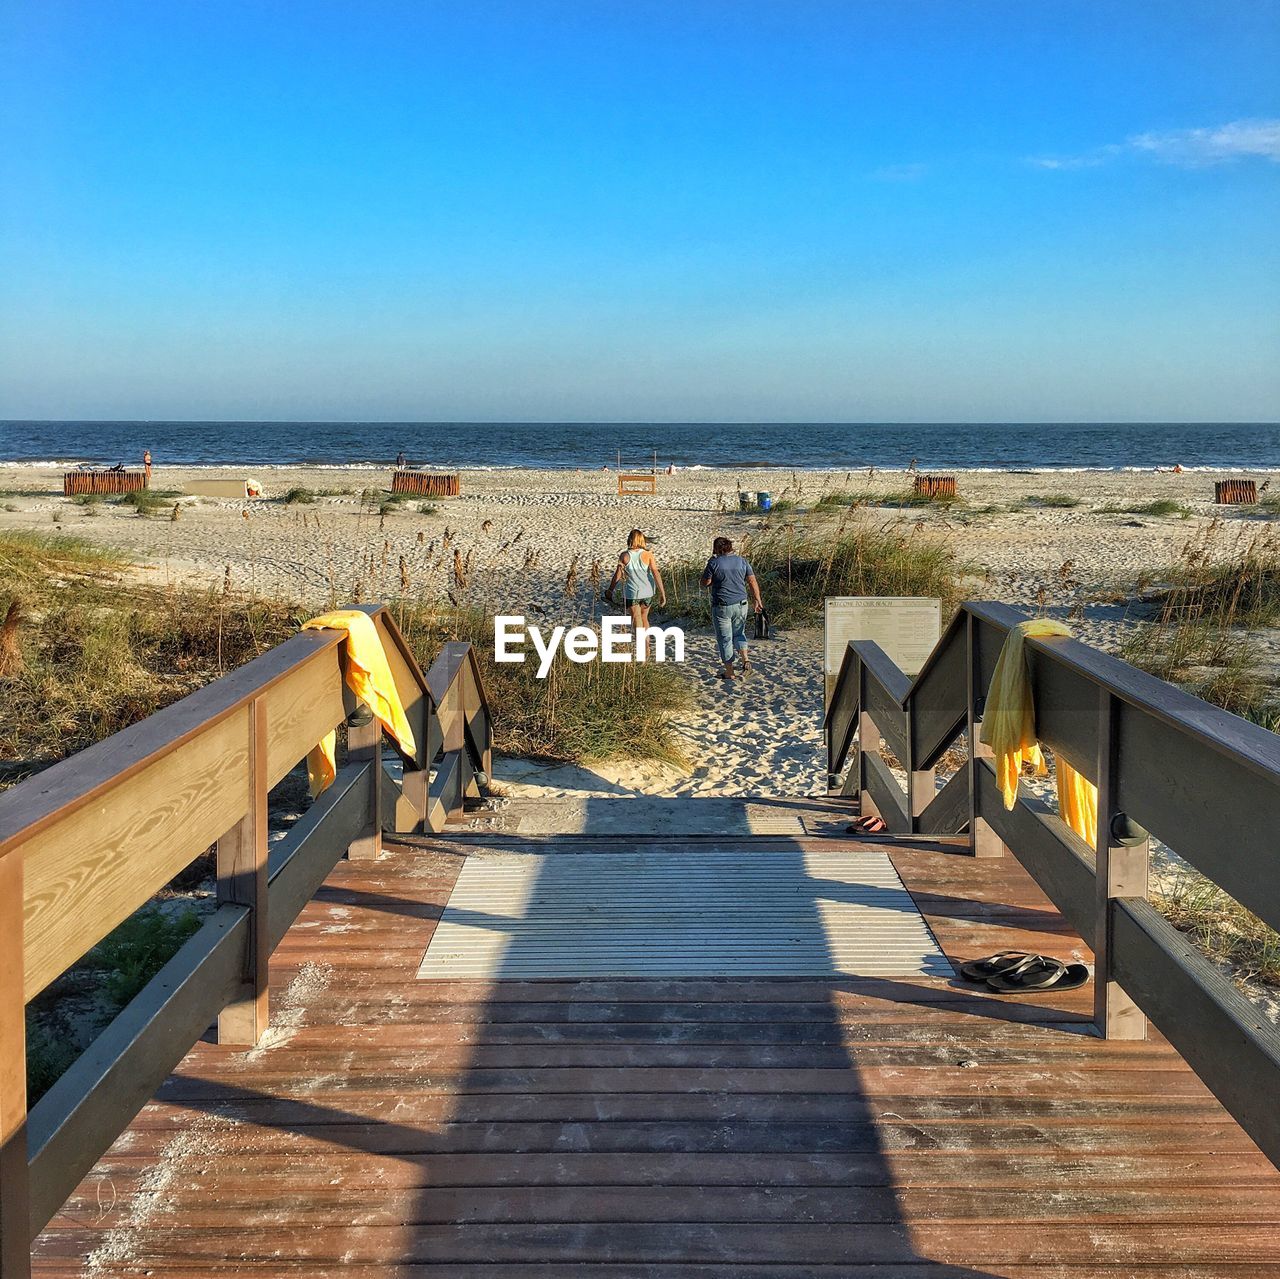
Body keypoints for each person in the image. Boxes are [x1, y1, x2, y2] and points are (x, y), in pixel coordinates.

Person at [701, 536, 763, 679]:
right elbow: (752, 581)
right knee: (739, 633)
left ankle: (729, 671)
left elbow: (705, 582)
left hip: (722, 605)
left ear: (716, 548)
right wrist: (757, 599)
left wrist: (713, 576)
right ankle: (746, 660)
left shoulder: (714, 563)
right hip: (742, 603)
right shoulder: (742, 561)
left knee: (725, 639)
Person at [607, 529, 666, 653]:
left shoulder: (625, 555)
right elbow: (656, 573)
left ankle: (643, 649)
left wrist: (610, 590)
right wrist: (662, 593)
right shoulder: (648, 555)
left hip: (632, 593)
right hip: (648, 592)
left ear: (630, 539)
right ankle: (647, 646)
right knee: (645, 618)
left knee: (637, 620)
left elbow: (617, 575)